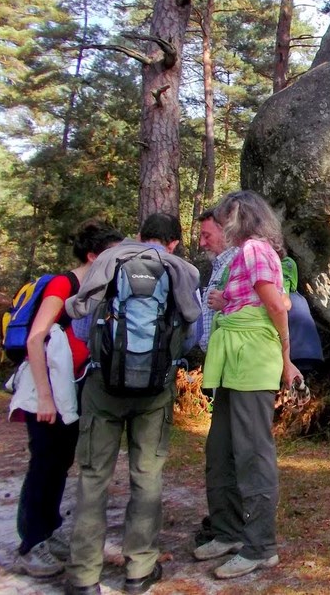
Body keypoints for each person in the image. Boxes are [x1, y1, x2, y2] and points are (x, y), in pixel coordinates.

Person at [63, 213, 201, 595]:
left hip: (102, 386)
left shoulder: (109, 260)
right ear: (173, 242)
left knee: (93, 477)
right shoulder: (182, 270)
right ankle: (139, 570)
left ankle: (83, 576)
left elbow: (79, 323)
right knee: (147, 477)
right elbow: (194, 335)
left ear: (140, 235)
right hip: (155, 390)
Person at [9, 220, 123, 580]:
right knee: (43, 463)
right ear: (93, 255)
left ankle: (50, 528)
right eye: (112, 254)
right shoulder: (64, 284)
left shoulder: (94, 290)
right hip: (48, 389)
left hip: (71, 386)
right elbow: (35, 338)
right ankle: (31, 543)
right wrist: (45, 398)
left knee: (59, 462)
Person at [195, 190, 300, 580]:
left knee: (252, 452)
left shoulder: (255, 249)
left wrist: (286, 360)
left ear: (241, 216)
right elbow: (253, 300)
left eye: (226, 219)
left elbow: (276, 305)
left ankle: (260, 546)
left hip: (253, 357)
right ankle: (228, 532)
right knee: (220, 449)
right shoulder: (242, 257)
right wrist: (224, 302)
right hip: (232, 357)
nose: (221, 227)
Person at [194, 207, 239, 353]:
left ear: (226, 232)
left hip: (233, 356)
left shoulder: (239, 262)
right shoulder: (219, 264)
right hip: (218, 357)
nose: (202, 243)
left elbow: (265, 307)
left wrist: (227, 305)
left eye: (207, 236)